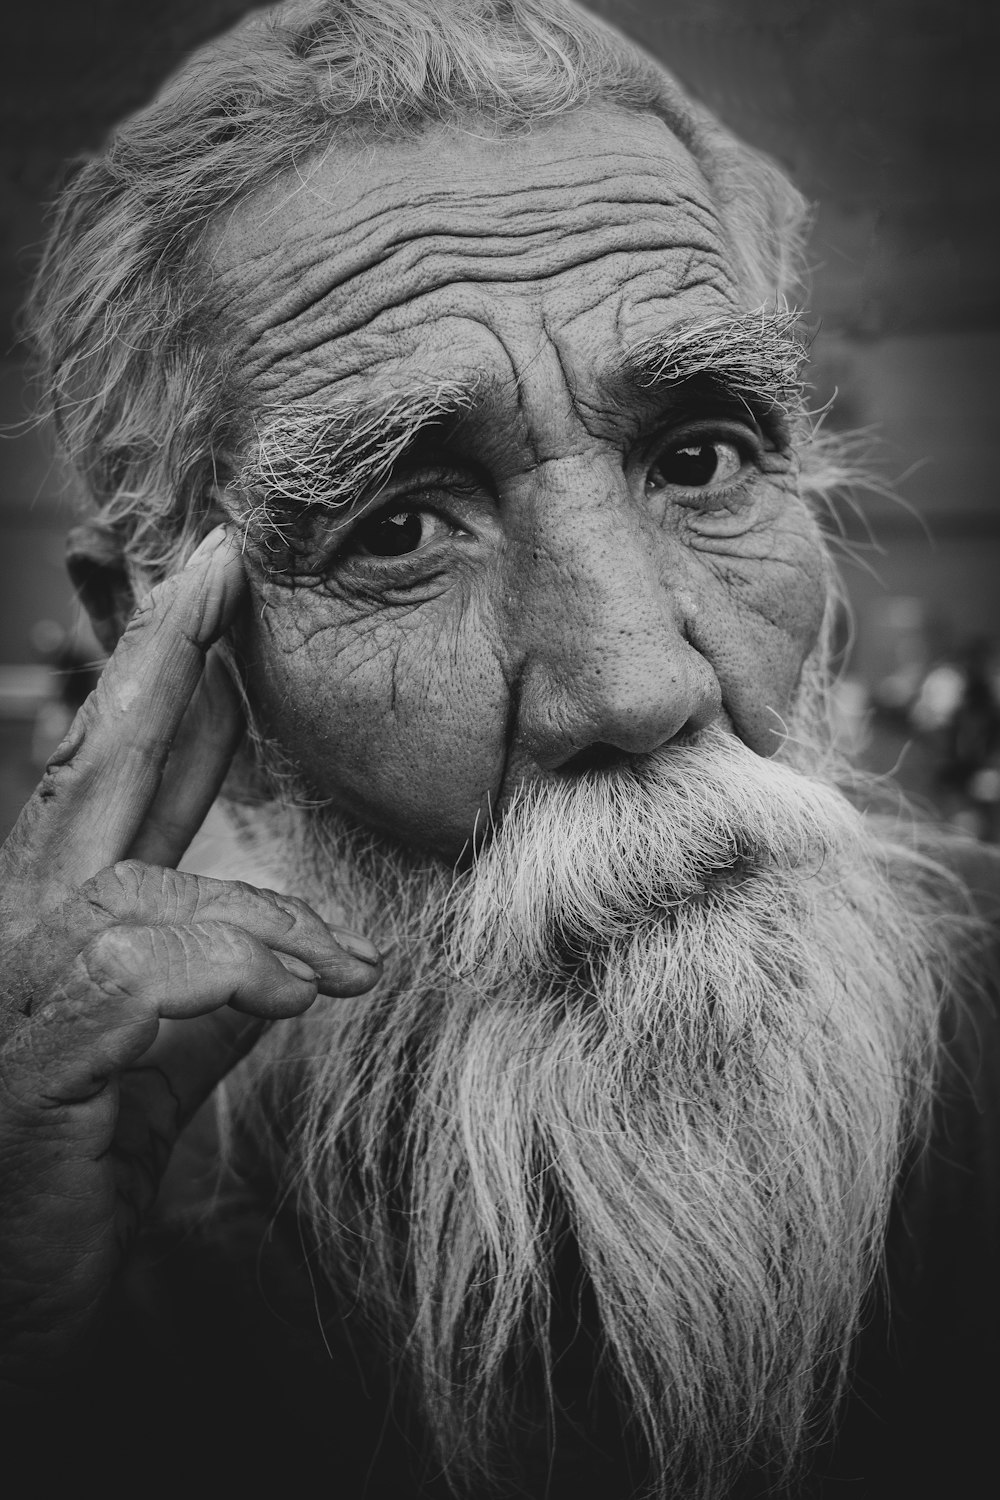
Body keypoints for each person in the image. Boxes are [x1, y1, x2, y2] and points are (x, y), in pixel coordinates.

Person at [2, 3, 998, 1496]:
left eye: (702, 456)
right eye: (398, 529)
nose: (635, 685)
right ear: (176, 644)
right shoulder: (99, 1246)